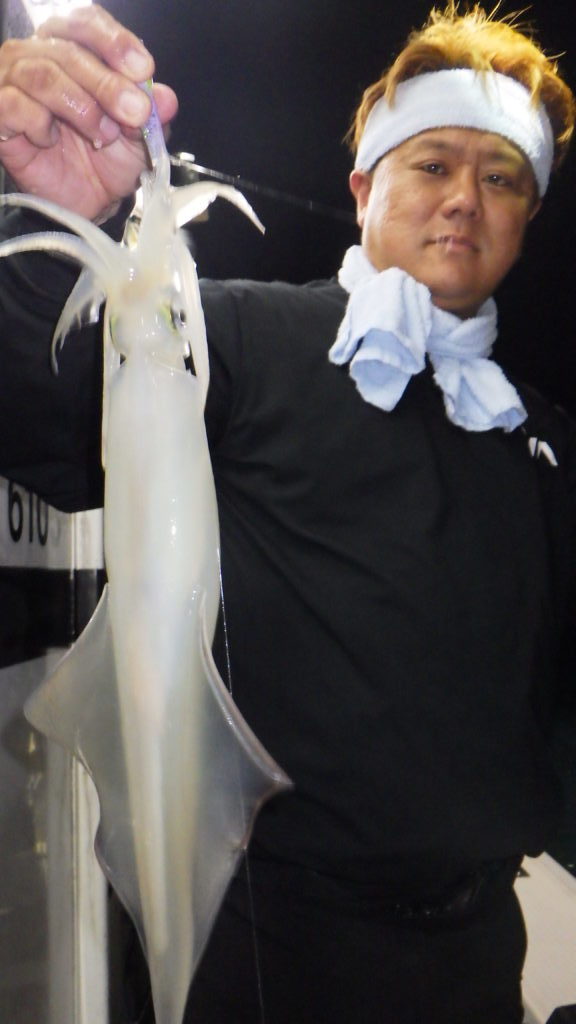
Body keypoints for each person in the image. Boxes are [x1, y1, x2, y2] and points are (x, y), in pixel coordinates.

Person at [0, 3, 575, 1022]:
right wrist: (49, 224)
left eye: (502, 179)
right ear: (363, 188)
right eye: (432, 164)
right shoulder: (236, 338)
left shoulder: (542, 438)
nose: (465, 200)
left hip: (477, 961)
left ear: (527, 217)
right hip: (264, 949)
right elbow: (39, 402)